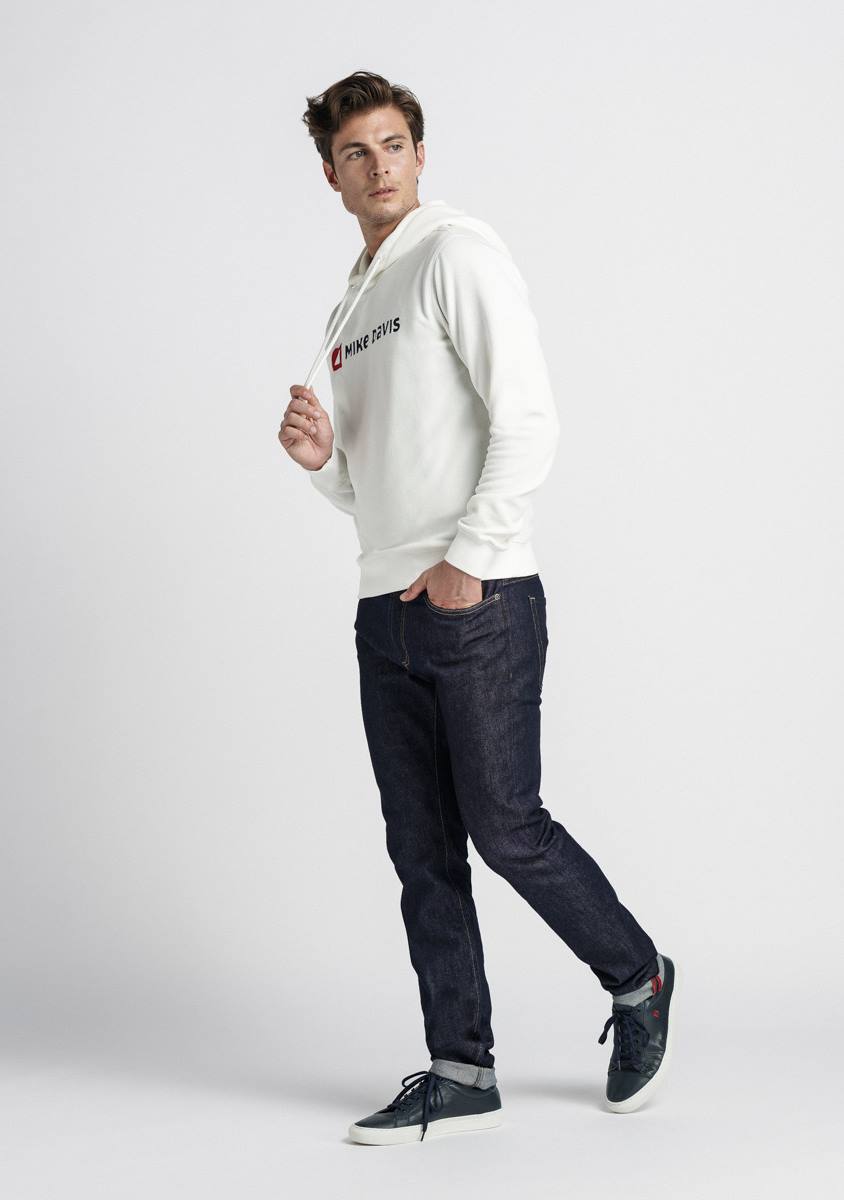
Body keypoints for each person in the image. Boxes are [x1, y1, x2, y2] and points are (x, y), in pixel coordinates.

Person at [280, 71, 677, 1146]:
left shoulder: (454, 254)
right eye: (355, 153)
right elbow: (377, 485)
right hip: (383, 610)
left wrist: (468, 559)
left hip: (478, 600)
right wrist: (324, 464)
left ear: (419, 153)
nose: (377, 166)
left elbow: (529, 419)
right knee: (421, 850)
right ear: (331, 175)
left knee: (506, 828)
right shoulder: (350, 307)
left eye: (393, 144)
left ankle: (638, 977)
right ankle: (461, 1068)